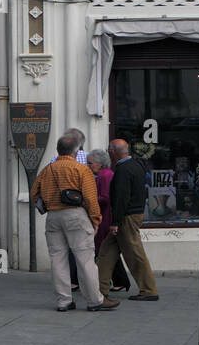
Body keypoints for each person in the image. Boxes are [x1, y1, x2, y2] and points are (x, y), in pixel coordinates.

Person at [31, 133, 117, 313]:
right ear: (76, 151)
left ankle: (64, 300)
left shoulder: (47, 170)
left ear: (58, 150)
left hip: (53, 216)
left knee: (58, 259)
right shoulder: (81, 169)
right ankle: (95, 300)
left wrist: (47, 203)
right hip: (75, 215)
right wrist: (96, 220)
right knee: (85, 259)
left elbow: (34, 194)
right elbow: (90, 198)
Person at [96, 139, 160, 301]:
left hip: (126, 217)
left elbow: (121, 198)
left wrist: (115, 222)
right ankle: (99, 288)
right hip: (133, 213)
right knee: (106, 252)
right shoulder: (136, 165)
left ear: (112, 152)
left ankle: (148, 290)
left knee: (134, 252)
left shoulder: (123, 170)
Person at [87, 148, 130, 293]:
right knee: (106, 251)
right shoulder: (104, 175)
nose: (88, 165)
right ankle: (118, 280)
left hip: (105, 217)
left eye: (90, 163)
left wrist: (89, 200)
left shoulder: (105, 176)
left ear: (99, 164)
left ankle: (118, 280)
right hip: (105, 216)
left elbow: (105, 198)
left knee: (104, 251)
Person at [52, 127, 88, 292]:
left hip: (56, 211)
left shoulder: (53, 162)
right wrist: (95, 216)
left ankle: (65, 293)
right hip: (80, 210)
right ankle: (90, 291)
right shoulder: (88, 160)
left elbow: (39, 189)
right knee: (84, 251)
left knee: (60, 254)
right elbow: (90, 192)